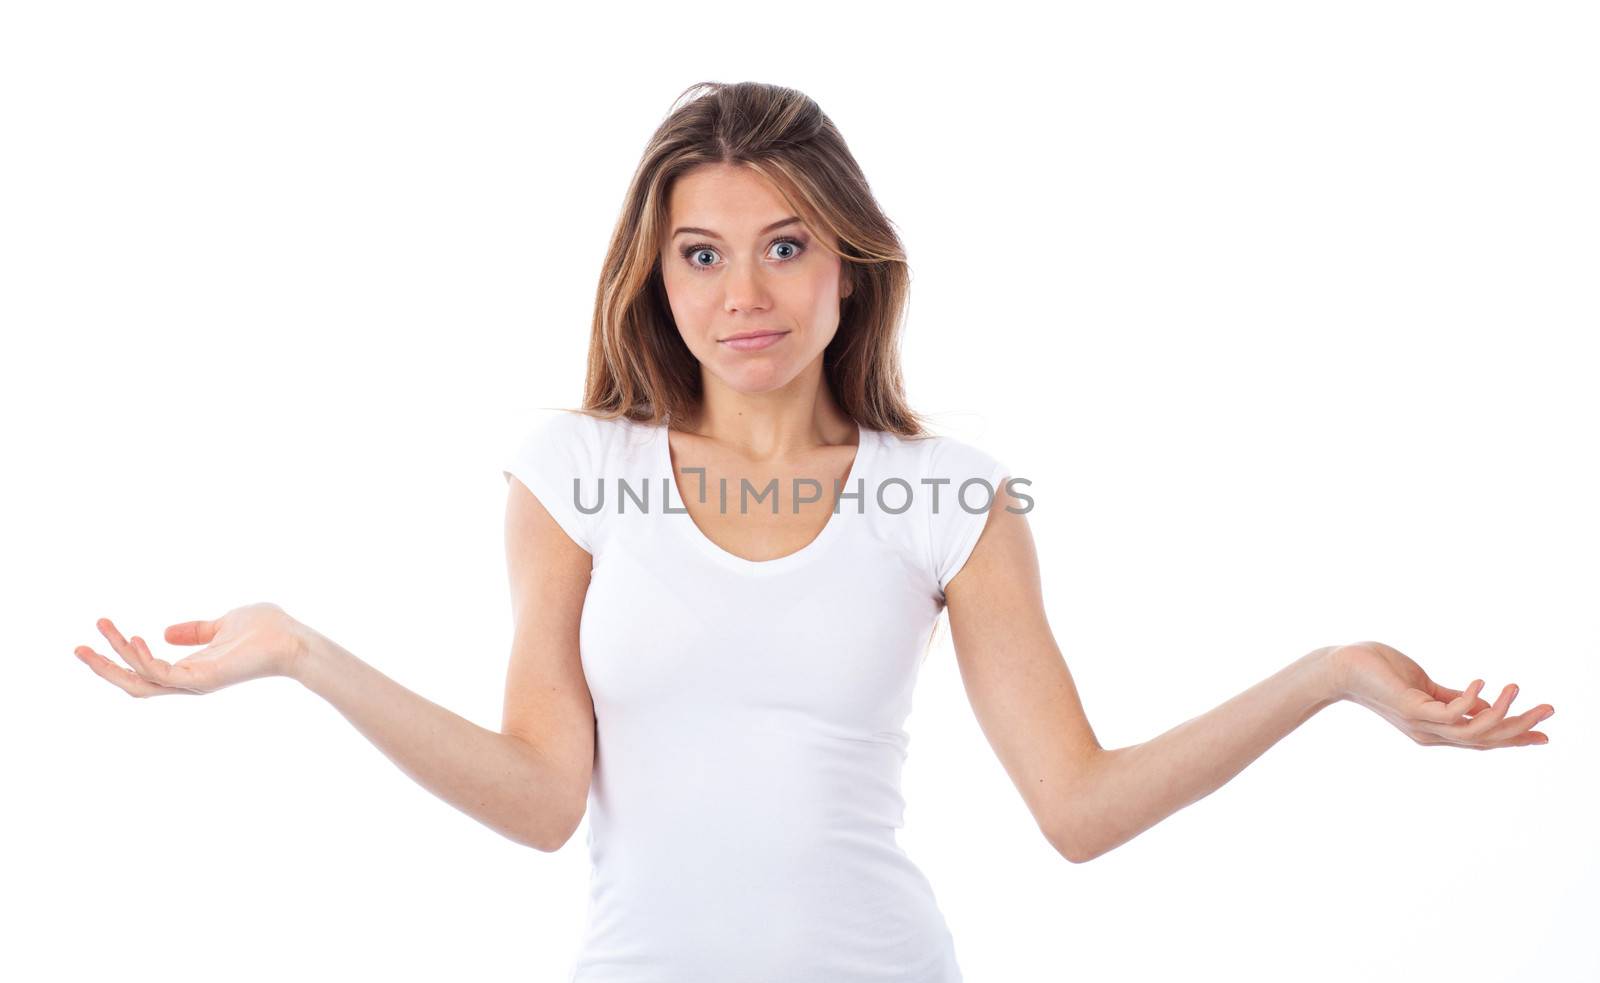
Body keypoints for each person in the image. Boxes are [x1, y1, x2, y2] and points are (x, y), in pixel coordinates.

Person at [73, 81, 1556, 982]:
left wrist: (1330, 676)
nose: (747, 297)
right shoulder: (573, 474)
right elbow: (539, 798)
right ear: (656, 283)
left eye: (786, 248)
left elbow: (1079, 809)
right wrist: (304, 656)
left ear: (851, 267)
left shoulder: (947, 498)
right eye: (703, 257)